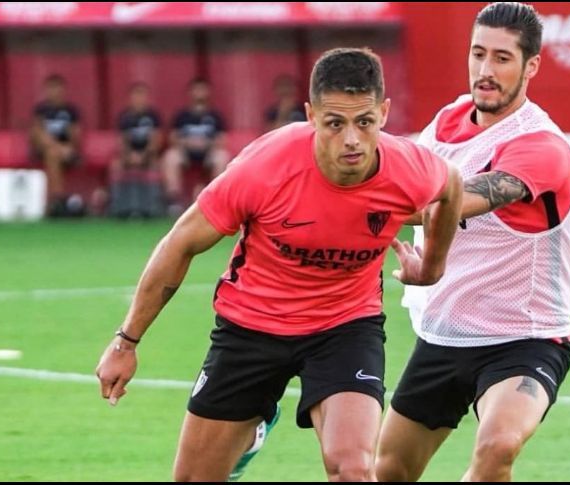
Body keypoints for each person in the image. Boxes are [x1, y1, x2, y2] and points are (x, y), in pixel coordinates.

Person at [96, 47, 463, 482]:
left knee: (352, 469)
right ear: (310, 115)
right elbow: (180, 245)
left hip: (344, 327)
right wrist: (126, 342)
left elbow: (451, 188)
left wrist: (434, 267)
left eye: (364, 122)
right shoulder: (264, 167)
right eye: (334, 123)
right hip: (252, 325)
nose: (351, 139)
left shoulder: (408, 168)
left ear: (383, 113)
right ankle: (250, 432)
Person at [375, 3, 570, 482]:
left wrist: (339, 199)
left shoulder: (541, 147)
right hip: (444, 333)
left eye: (503, 59)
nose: (485, 71)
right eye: (478, 53)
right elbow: (404, 181)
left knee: (498, 447)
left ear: (531, 66)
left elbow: (442, 205)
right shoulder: (448, 120)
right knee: (388, 470)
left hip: (524, 337)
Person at [162, 78, 230, 208]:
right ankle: (174, 201)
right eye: (196, 90)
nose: (199, 93)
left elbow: (222, 139)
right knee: (170, 157)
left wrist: (206, 143)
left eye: (202, 90)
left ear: (208, 93)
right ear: (190, 93)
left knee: (222, 156)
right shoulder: (182, 115)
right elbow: (173, 138)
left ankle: (218, 200)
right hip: (186, 152)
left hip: (208, 152)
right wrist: (186, 142)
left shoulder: (215, 116)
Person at [108, 82, 165, 218]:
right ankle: (117, 206)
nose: (139, 99)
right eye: (136, 95)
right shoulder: (125, 117)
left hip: (149, 155)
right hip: (128, 155)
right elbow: (122, 141)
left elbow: (156, 140)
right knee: (115, 165)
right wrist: (129, 155)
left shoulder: (153, 116)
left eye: (142, 95)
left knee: (156, 165)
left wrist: (143, 156)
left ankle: (153, 207)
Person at [29, 74, 81, 216]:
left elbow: (76, 136)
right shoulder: (41, 110)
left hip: (68, 152)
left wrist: (68, 147)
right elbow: (36, 133)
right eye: (51, 88)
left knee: (53, 154)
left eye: (57, 88)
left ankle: (56, 202)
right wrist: (59, 148)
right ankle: (58, 199)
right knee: (51, 152)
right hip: (45, 150)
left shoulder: (70, 111)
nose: (54, 92)